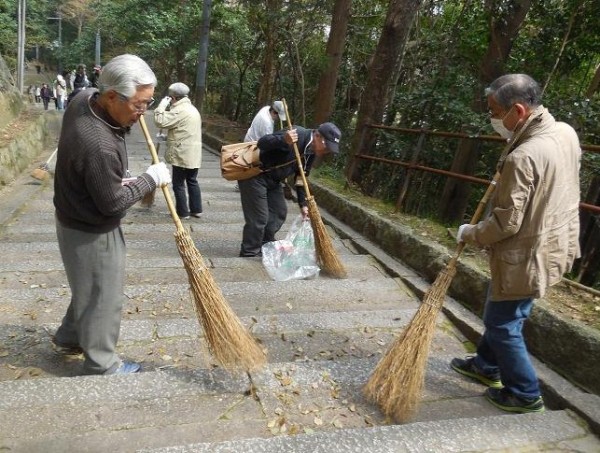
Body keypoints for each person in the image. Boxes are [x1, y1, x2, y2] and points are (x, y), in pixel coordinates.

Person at [451, 74, 581, 413]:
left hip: (527, 254)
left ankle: (524, 393)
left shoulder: (523, 156)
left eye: (494, 111)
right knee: (511, 313)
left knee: (502, 322)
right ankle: (486, 365)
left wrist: (471, 232)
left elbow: (506, 222)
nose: (492, 118)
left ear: (519, 111)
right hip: (556, 243)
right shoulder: (564, 132)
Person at [52, 54, 172, 375]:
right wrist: (150, 179)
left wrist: (118, 180)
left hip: (71, 215)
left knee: (87, 284)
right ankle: (102, 364)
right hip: (92, 229)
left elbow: (104, 182)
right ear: (109, 96)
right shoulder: (98, 145)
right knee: (103, 294)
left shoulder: (82, 99)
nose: (142, 113)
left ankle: (69, 336)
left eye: (147, 103)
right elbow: (112, 204)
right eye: (138, 105)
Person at [238, 122, 341, 257]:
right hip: (255, 176)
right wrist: (283, 140)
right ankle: (249, 251)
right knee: (259, 218)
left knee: (279, 211)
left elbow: (301, 177)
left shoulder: (311, 153)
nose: (326, 152)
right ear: (318, 136)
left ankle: (265, 242)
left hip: (274, 180)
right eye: (327, 147)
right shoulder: (296, 134)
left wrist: (303, 204)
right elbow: (262, 143)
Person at [153, 82, 203, 220]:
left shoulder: (179, 110)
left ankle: (182, 212)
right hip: (193, 152)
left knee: (178, 184)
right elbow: (182, 130)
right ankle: (196, 210)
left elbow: (160, 121)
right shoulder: (192, 109)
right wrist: (166, 137)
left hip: (182, 153)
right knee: (192, 180)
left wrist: (162, 105)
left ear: (173, 97)